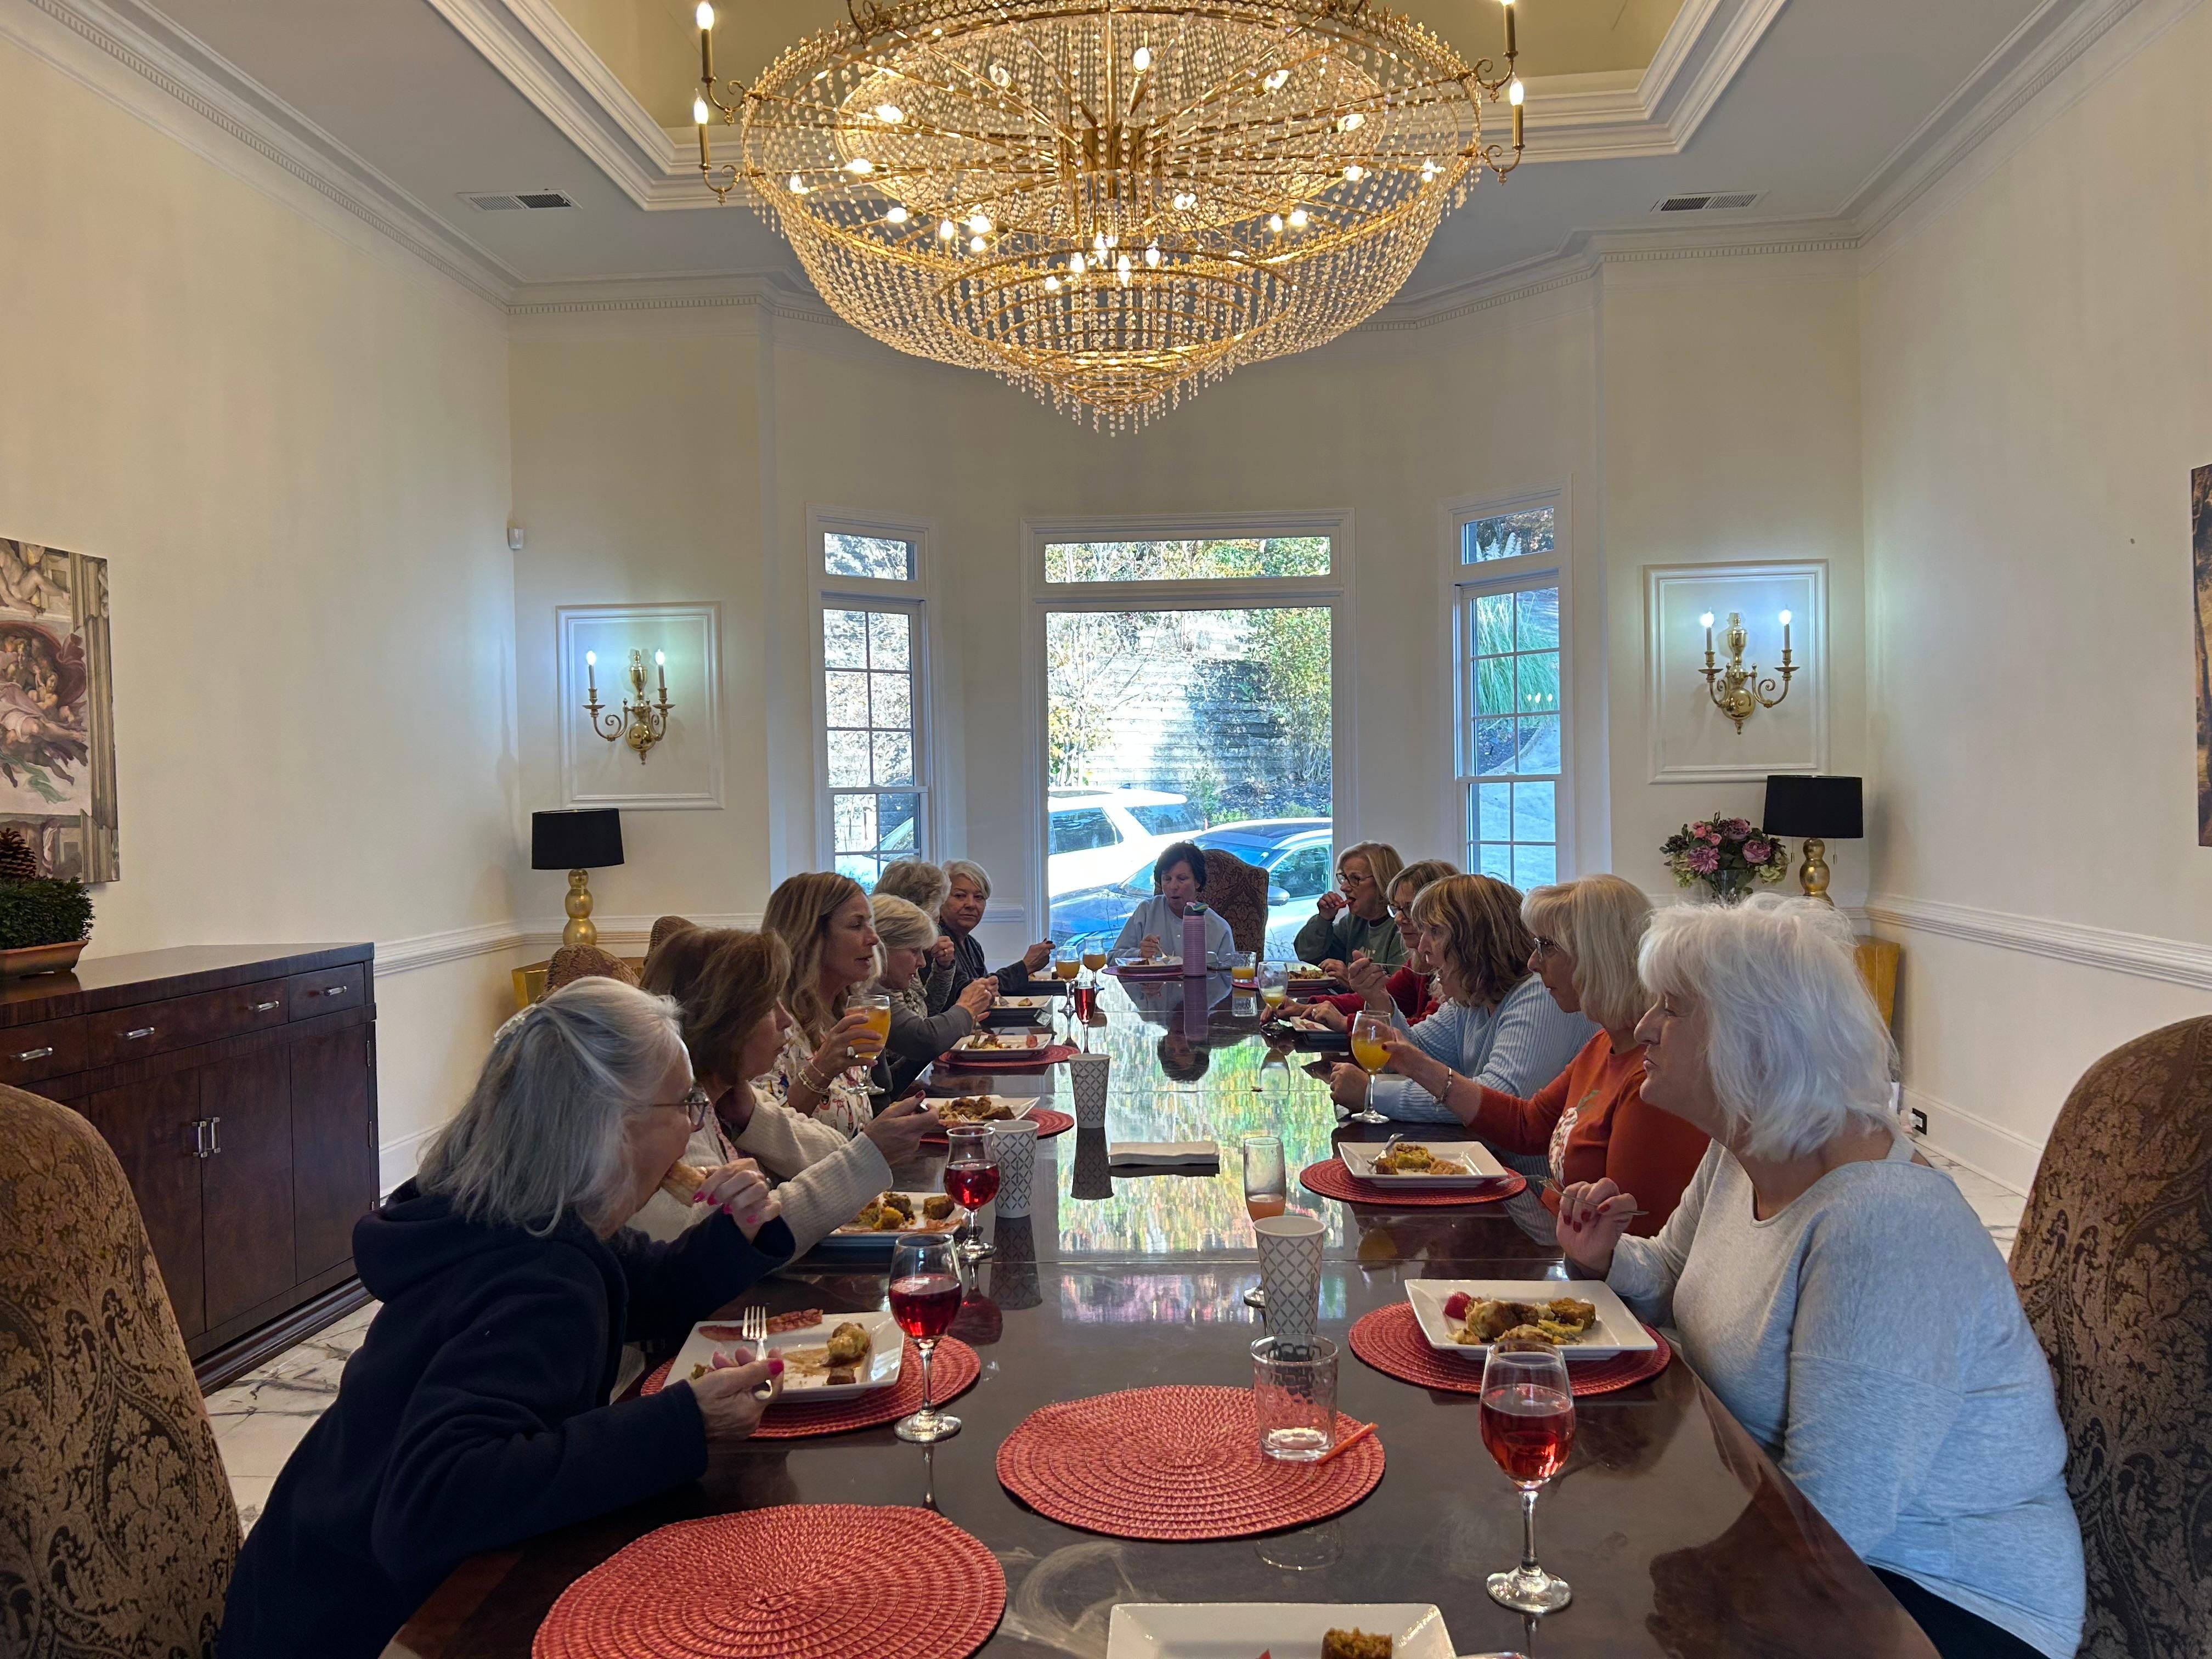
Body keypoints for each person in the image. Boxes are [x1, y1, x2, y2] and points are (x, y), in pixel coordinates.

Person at [1556, 897, 2083, 1659]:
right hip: (1785, 1538)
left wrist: (1637, 1561)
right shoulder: (1745, 1149)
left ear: (1754, 1039)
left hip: (1930, 1600)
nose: (1642, 1030)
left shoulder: (1883, 1223)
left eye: (1670, 1011)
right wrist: (1604, 1254)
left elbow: (1835, 1519)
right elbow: (1671, 1273)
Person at [218, 979, 794, 1659]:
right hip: (361, 1627)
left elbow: (646, 1293)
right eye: (686, 1102)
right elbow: (432, 1503)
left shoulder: (522, 1220)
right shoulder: (538, 1277)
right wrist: (681, 1422)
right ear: (612, 1124)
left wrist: (737, 1233)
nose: (697, 1125)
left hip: (299, 1589)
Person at [1373, 874, 1708, 1237]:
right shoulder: (1603, 1046)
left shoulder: (1650, 1075)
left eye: (1546, 946)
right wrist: (1418, 1066)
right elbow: (1527, 1124)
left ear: (1595, 956)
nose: (1533, 962)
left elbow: (1635, 1239)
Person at [634, 925, 942, 1250]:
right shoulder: (669, 1121)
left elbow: (833, 1150)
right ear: (722, 1020)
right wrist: (870, 1154)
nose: (786, 1021)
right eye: (769, 1007)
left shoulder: (727, 1097)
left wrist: (755, 1117)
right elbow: (721, 1248)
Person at [1330, 872, 1591, 1128]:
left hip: (1522, 1170)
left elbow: (1499, 1098)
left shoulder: (1539, 995)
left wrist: (1374, 1094)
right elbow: (1414, 1053)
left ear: (1477, 939)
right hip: (1486, 1161)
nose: (1422, 947)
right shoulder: (1474, 996)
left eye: (1435, 931)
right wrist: (1378, 1000)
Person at [757, 871, 891, 1138]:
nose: (874, 938)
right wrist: (821, 1070)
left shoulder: (840, 1014)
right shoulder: (771, 1024)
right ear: (810, 937)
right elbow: (766, 1139)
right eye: (856, 925)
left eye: (870, 924)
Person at [1305, 857, 1457, 1023]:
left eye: (1409, 908)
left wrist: (1345, 1023)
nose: (1399, 918)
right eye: (1396, 908)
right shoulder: (1418, 961)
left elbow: (1426, 1033)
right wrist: (1309, 1007)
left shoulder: (1454, 971)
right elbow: (1386, 997)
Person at [871, 892, 995, 1092]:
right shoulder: (869, 991)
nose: (921, 962)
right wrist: (965, 1010)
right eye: (914, 951)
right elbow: (922, 1039)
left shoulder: (972, 946)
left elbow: (926, 1013)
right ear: (881, 948)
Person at [933, 859, 1053, 1011]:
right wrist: (1025, 966)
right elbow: (966, 993)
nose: (970, 904)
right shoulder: (937, 942)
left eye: (979, 897)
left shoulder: (973, 945)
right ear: (941, 899)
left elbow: (988, 988)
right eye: (960, 896)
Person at [1111, 840, 1235, 967]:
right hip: (1151, 986)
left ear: (1197, 881)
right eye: (1167, 879)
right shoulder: (1146, 912)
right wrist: (1140, 955)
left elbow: (1229, 976)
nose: (1173, 886)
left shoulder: (1218, 927)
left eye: (1182, 879)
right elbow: (1112, 959)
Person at [1294, 840, 1408, 971]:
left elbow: (1399, 990)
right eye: (1344, 878)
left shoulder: (1402, 928)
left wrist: (1349, 981)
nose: (1344, 887)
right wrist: (1324, 919)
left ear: (1382, 881)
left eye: (1355, 879)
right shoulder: (1355, 921)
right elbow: (1307, 955)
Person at [874, 859, 954, 1017]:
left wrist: (944, 968)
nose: (939, 918)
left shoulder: (906, 951)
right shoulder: (896, 951)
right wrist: (966, 1009)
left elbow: (922, 1011)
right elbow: (918, 1032)